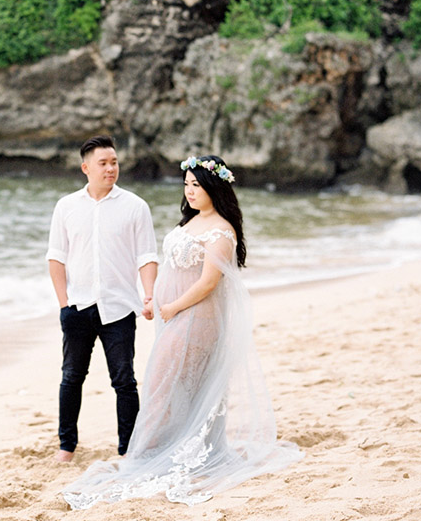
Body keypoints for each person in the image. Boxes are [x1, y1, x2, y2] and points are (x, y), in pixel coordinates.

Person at [62, 155, 302, 509]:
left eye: (197, 186)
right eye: (187, 184)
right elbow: (172, 270)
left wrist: (173, 307)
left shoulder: (221, 229)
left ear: (214, 188)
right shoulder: (191, 222)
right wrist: (153, 300)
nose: (190, 191)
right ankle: (164, 449)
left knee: (162, 383)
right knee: (173, 385)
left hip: (197, 318)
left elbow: (208, 283)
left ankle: (143, 455)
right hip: (173, 317)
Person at [46, 135, 159, 463]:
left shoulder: (136, 206)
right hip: (77, 307)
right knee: (71, 377)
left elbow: (147, 256)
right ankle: (66, 447)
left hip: (121, 306)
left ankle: (129, 449)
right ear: (86, 168)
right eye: (103, 163)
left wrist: (148, 295)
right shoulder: (66, 206)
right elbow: (56, 258)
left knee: (124, 380)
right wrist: (63, 304)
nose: (111, 168)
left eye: (114, 162)